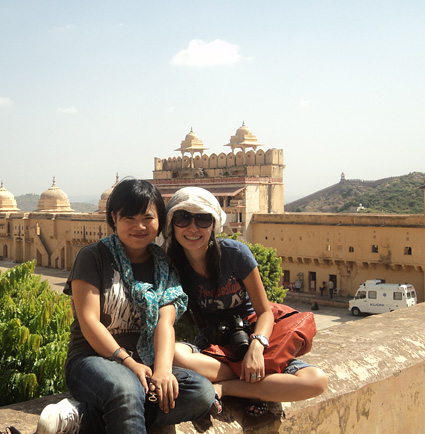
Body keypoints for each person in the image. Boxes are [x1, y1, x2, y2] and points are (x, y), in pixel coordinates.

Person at [37, 179, 214, 434]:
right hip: (93, 359)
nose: (139, 226)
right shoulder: (93, 256)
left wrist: (163, 371)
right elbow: (89, 321)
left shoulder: (164, 265)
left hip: (146, 361)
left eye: (147, 218)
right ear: (114, 218)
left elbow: (165, 323)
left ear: (160, 220)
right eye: (129, 218)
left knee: (201, 392)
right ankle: (116, 406)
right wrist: (129, 363)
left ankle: (84, 416)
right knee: (126, 389)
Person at [165, 187, 328, 416]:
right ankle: (256, 383)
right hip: (214, 345)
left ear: (213, 224)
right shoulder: (170, 263)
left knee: (316, 380)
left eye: (202, 219)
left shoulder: (235, 254)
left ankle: (226, 388)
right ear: (171, 224)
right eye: (183, 218)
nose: (193, 228)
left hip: (252, 337)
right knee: (173, 354)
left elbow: (265, 312)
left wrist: (256, 347)